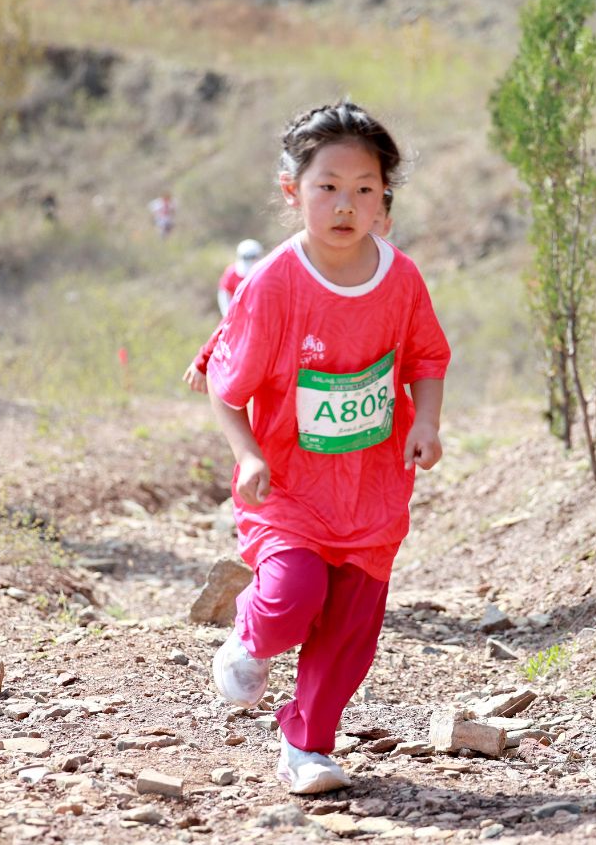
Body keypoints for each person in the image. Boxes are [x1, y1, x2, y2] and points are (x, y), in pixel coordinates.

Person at [205, 102, 450, 794]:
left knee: (349, 631)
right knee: (293, 596)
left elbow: (426, 357)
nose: (346, 204)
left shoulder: (401, 279)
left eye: (364, 188)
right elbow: (226, 387)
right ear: (293, 190)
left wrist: (427, 423)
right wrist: (250, 455)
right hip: (290, 485)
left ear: (384, 198)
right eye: (329, 187)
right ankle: (252, 635)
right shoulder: (274, 283)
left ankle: (306, 746)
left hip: (373, 489)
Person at [182, 189, 396, 394]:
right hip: (299, 389)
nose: (361, 227)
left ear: (386, 225)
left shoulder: (397, 276)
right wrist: (204, 359)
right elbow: (241, 316)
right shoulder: (293, 268)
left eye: (373, 221)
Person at [218, 238, 264, 316]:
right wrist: (228, 315)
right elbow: (224, 294)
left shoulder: (267, 273)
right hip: (238, 317)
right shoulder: (232, 273)